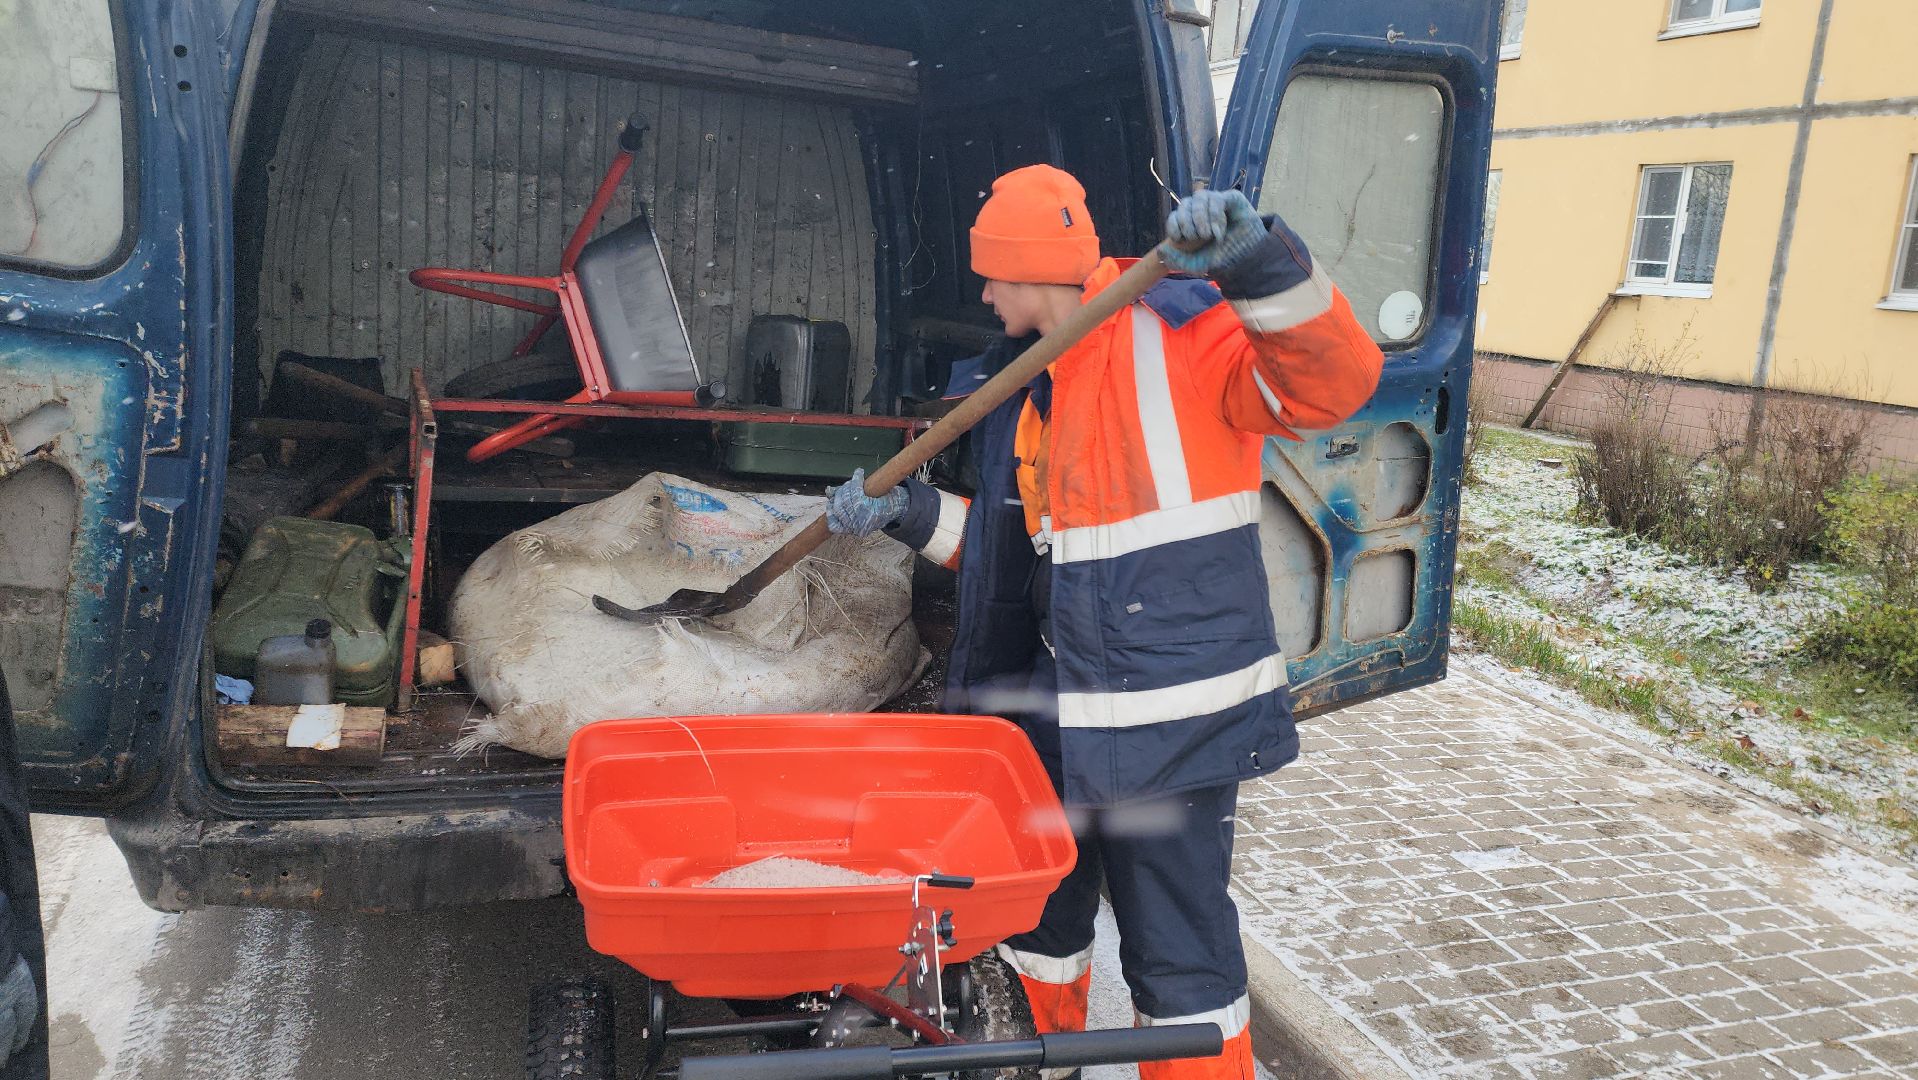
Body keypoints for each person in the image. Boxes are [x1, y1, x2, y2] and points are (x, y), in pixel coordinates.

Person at [826, 164, 1382, 1080]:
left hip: (1173, 725)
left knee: (1181, 960)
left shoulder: (1185, 332)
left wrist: (1260, 266)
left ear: (1030, 268)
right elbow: (1019, 558)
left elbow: (1334, 385)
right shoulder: (1024, 384)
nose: (984, 294)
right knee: (1037, 931)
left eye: (992, 275)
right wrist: (909, 512)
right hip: (1056, 713)